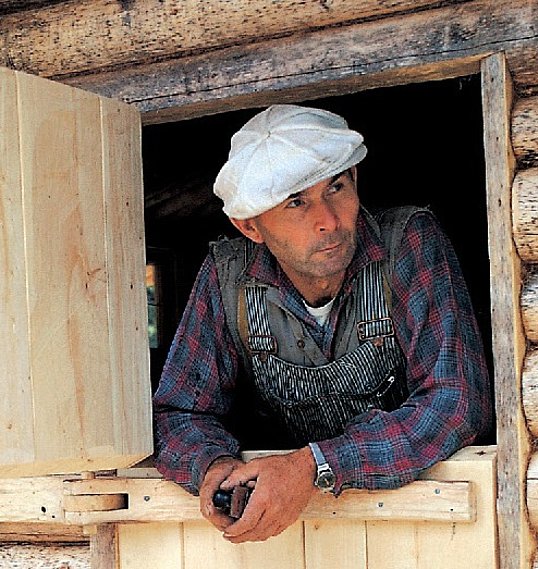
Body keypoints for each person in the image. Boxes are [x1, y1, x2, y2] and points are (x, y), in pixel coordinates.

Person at [153, 104, 492, 544]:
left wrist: (314, 467)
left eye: (337, 186)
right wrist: (215, 466)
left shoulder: (407, 242)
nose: (329, 221)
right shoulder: (226, 276)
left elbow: (459, 401)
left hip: (424, 529)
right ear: (249, 225)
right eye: (296, 202)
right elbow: (179, 411)